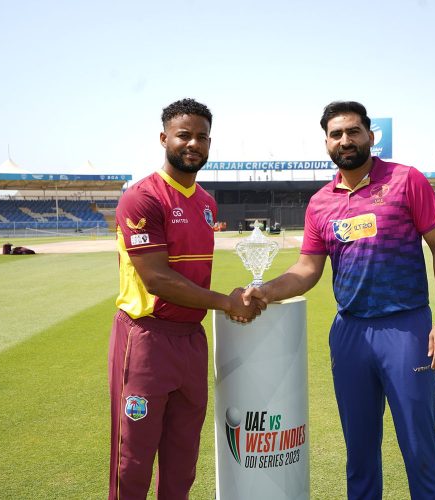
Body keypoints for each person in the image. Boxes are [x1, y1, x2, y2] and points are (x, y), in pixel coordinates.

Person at [243, 101, 435, 499]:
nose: (346, 140)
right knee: (359, 449)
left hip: (405, 327)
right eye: (336, 134)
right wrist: (266, 290)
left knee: (417, 444)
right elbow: (308, 269)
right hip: (350, 333)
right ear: (326, 142)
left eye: (353, 131)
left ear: (370, 137)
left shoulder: (406, 180)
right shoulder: (321, 203)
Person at [108, 98, 264, 499]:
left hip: (191, 339)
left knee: (182, 460)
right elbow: (157, 278)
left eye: (202, 137)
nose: (194, 143)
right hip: (146, 340)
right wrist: (227, 303)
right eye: (184, 135)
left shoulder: (207, 204)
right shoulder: (142, 197)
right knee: (133, 461)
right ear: (164, 138)